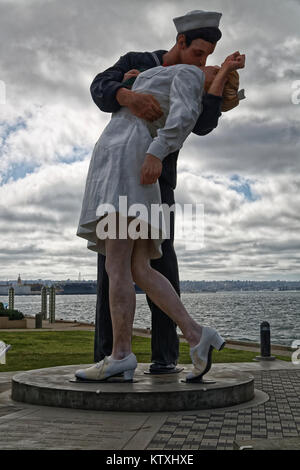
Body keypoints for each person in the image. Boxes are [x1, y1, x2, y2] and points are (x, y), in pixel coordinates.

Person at [75, 35, 245, 382]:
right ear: (181, 42)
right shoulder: (152, 64)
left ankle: (121, 355)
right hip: (136, 166)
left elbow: (194, 119)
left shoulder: (188, 75)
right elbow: (101, 86)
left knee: (119, 264)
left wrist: (221, 73)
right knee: (139, 267)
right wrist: (128, 88)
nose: (202, 63)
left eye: (207, 62)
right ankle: (196, 335)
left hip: (130, 163)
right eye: (199, 55)